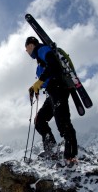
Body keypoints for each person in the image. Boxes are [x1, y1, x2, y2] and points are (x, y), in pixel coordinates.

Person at [25, 36, 78, 167]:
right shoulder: (39, 60)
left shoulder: (42, 49)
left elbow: (53, 64)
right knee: (39, 121)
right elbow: (46, 75)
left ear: (31, 45)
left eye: (27, 49)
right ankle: (52, 152)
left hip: (59, 88)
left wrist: (40, 80)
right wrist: (35, 87)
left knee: (63, 121)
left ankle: (71, 157)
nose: (27, 52)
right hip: (52, 91)